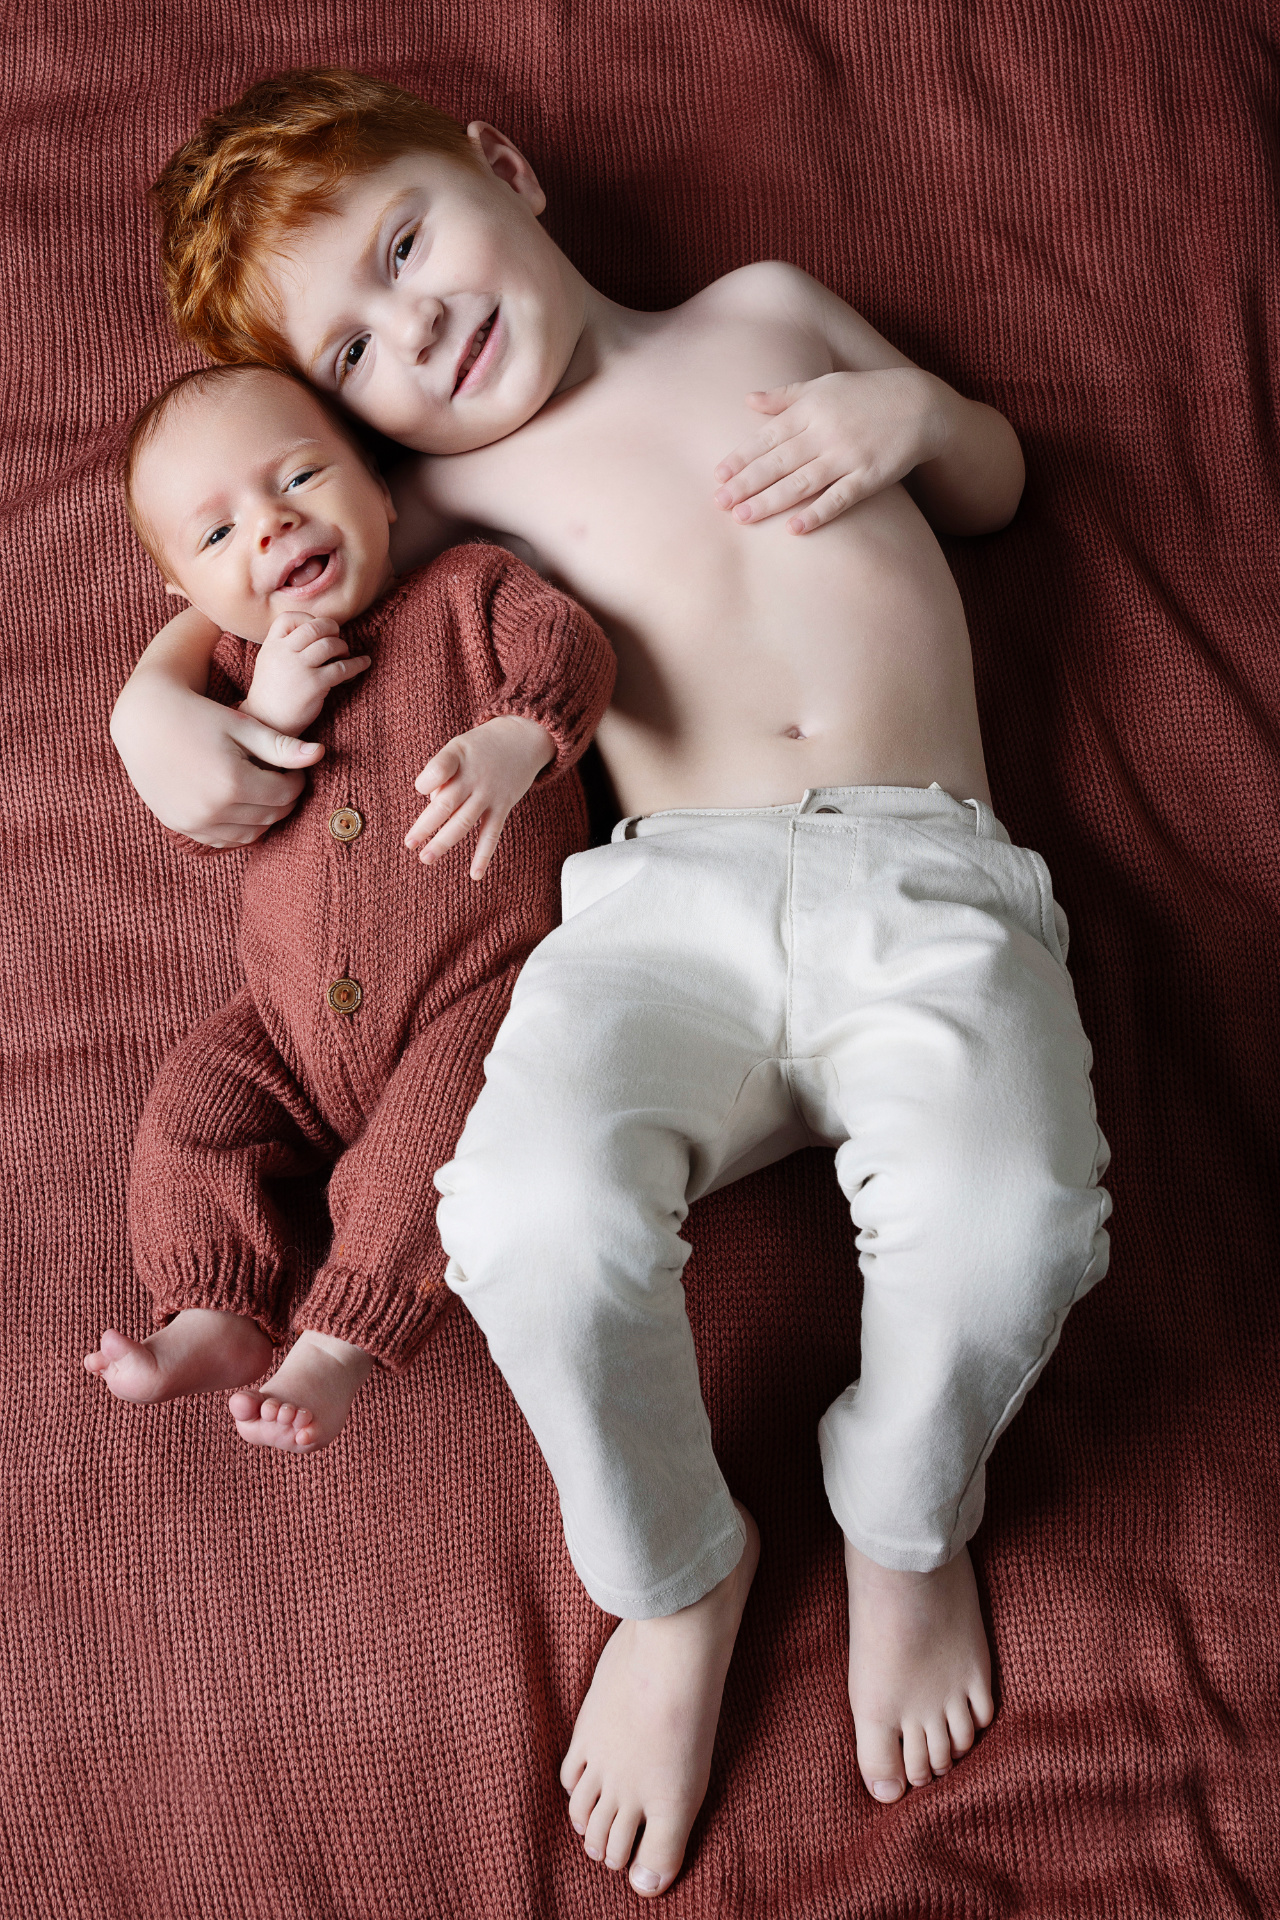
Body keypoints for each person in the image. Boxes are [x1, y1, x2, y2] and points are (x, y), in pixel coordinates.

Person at [109, 70, 1111, 1896]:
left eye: (410, 241)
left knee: (1019, 1221)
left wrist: (914, 415)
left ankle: (904, 1509)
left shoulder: (763, 311)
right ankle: (673, 1579)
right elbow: (239, 548)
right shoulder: (429, 492)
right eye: (355, 346)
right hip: (659, 910)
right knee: (521, 1212)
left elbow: (998, 474)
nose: (417, 321)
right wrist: (149, 698)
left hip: (927, 875)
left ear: (507, 170)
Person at [86, 359, 613, 1453]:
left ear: (379, 488)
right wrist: (263, 709)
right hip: (278, 1022)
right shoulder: (225, 674)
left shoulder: (468, 588)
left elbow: (569, 645)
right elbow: (211, 812)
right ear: (181, 593)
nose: (271, 528)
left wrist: (518, 736)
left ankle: (340, 1337)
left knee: (424, 1146)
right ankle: (214, 1310)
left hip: (479, 988)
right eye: (217, 535)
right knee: (189, 1117)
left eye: (299, 477)